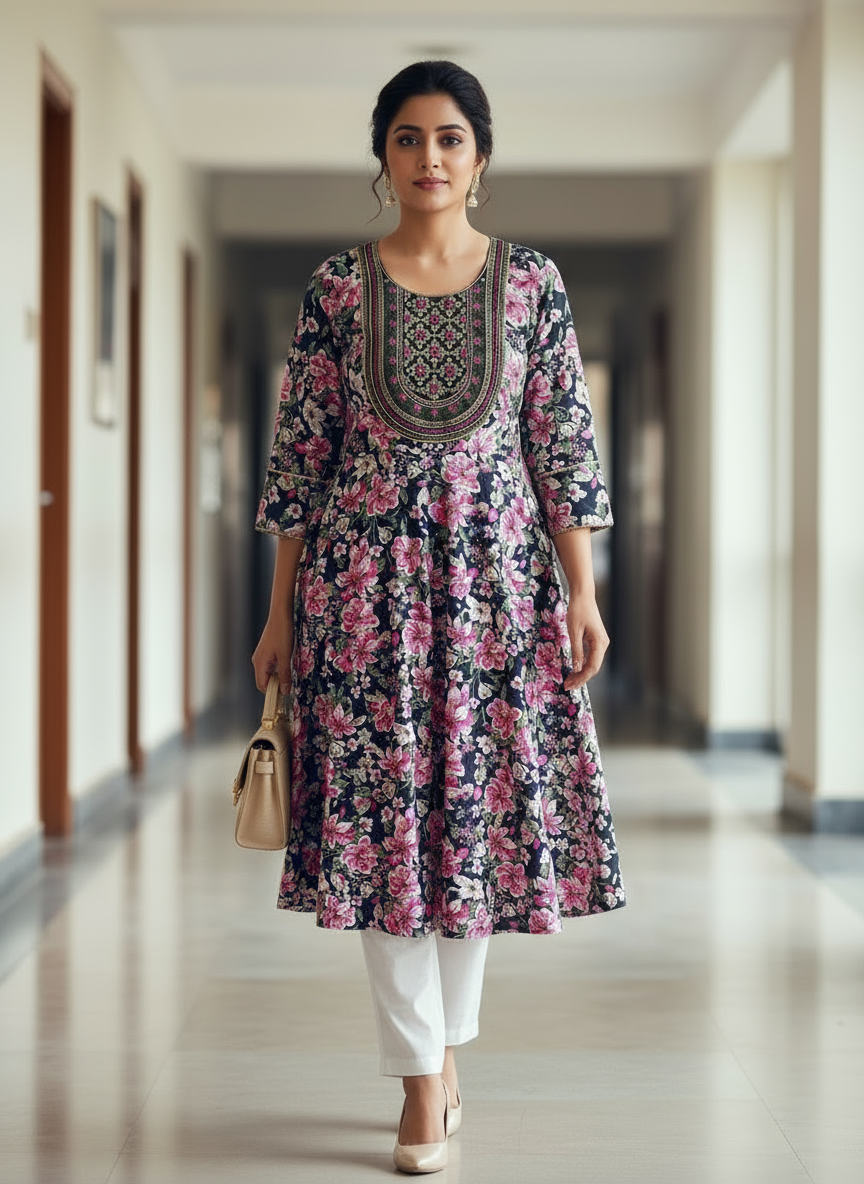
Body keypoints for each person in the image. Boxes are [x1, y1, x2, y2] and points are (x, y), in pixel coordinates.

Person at [252, 59, 625, 1175]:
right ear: (383, 156)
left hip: (499, 596)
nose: (429, 159)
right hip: (362, 603)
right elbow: (299, 465)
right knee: (381, 840)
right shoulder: (334, 289)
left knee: (472, 833)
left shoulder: (532, 285)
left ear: (481, 156)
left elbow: (561, 446)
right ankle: (421, 1084)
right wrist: (280, 614)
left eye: (450, 138)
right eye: (408, 138)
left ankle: (445, 1047)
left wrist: (583, 590)